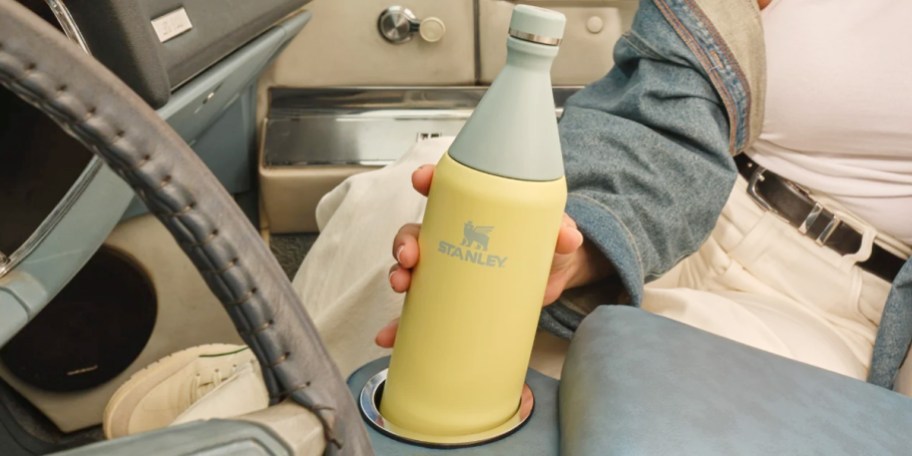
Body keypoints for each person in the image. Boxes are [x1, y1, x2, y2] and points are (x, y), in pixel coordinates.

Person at [103, 0, 912, 436]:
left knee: (589, 374)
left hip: (848, 305)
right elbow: (662, 115)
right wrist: (584, 237)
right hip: (702, 195)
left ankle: (257, 409)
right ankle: (267, 401)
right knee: (416, 210)